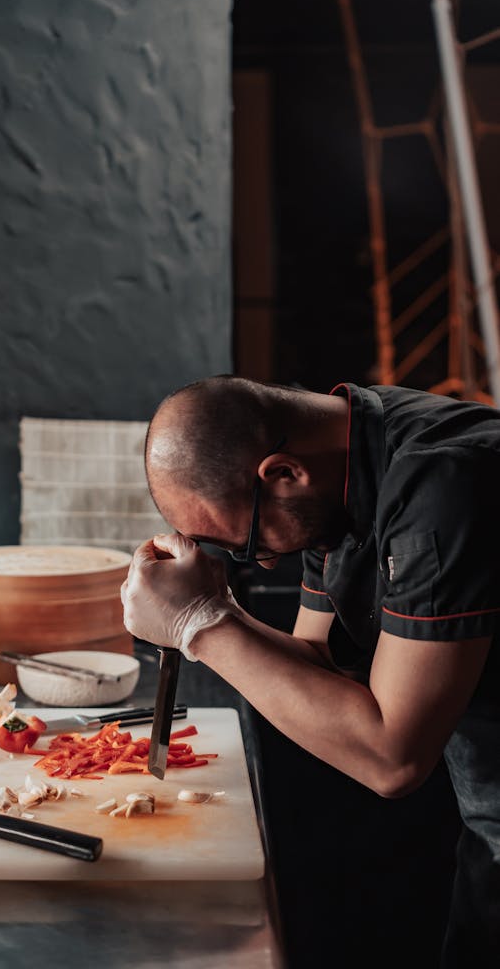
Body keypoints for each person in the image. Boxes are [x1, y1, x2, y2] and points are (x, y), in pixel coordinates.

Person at [121, 375, 500, 967]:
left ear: (282, 474)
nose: (263, 561)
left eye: (243, 545)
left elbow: (391, 757)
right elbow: (319, 667)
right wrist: (208, 615)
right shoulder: (341, 459)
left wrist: (201, 625)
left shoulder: (443, 484)